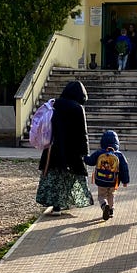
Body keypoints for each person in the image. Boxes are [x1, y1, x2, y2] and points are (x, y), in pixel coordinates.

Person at [36, 79, 93, 214]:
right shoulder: (78, 108)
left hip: (53, 148)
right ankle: (66, 202)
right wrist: (85, 152)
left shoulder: (55, 104)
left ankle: (56, 206)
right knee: (70, 177)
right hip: (72, 150)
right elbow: (82, 133)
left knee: (55, 177)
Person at [84, 129, 130, 221]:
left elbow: (90, 161)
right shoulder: (119, 155)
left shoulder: (99, 153)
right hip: (114, 181)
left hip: (101, 180)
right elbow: (124, 169)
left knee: (101, 196)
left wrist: (84, 157)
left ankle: (104, 206)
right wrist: (125, 181)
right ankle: (111, 210)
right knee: (111, 195)